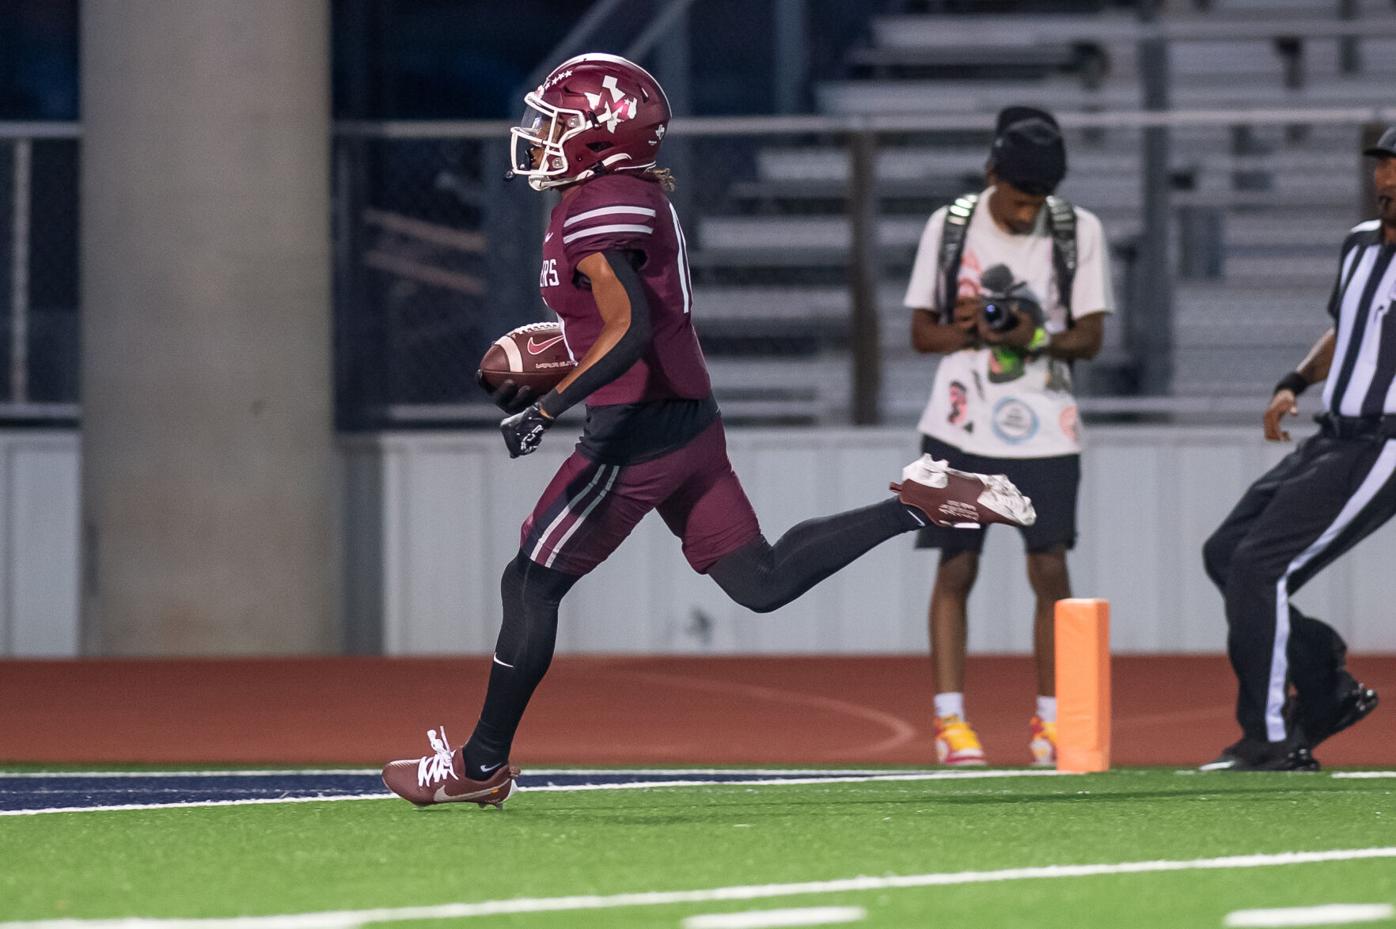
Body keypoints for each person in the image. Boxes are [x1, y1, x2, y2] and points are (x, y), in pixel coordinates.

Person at [380, 53, 1036, 807]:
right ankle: (915, 502)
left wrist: (548, 405)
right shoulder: (623, 194)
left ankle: (479, 765)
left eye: (559, 122)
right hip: (691, 423)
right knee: (761, 579)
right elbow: (622, 320)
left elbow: (628, 329)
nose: (542, 135)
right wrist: (560, 351)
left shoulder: (597, 207)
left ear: (603, 135)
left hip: (636, 435)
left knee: (530, 579)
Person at [904, 106, 1113, 767]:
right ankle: (950, 722)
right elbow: (920, 335)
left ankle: (1052, 721)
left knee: (1049, 566)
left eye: (1039, 201)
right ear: (993, 173)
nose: (1028, 214)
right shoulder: (951, 226)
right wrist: (972, 329)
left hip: (1047, 426)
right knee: (956, 564)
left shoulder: (1079, 230)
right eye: (1020, 200)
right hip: (959, 422)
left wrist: (1036, 335)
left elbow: (1092, 338)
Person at [1198, 128, 1396, 771]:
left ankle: (1272, 736)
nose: (1388, 180)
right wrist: (1293, 382)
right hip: (1334, 433)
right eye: (1384, 166)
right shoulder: (1362, 245)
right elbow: (1346, 330)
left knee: (1260, 567)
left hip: (1384, 444)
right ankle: (1325, 682)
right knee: (1227, 554)